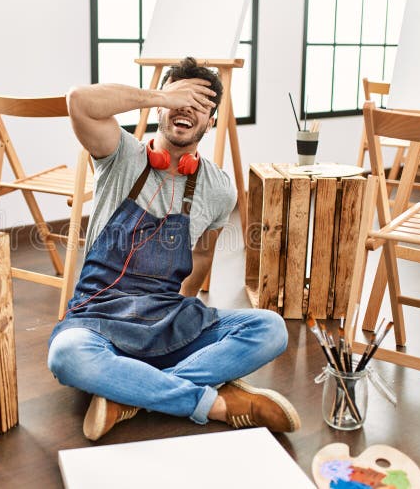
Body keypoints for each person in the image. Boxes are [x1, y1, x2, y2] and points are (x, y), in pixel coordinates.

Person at [47, 57, 300, 441]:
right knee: (66, 356)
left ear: (211, 121)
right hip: (100, 315)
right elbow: (79, 100)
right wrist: (162, 94)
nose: (186, 109)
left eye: (199, 105)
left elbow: (200, 256)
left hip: (167, 317)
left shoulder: (219, 189)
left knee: (270, 328)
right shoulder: (120, 154)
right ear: (161, 106)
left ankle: (128, 396)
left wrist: (186, 316)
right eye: (179, 99)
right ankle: (213, 404)